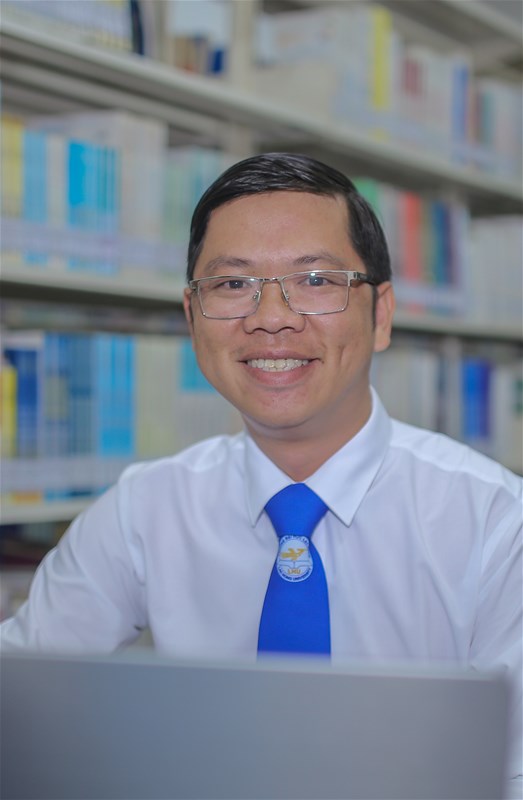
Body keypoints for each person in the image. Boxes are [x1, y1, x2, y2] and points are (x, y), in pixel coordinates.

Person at [1, 153, 521, 793]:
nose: (271, 316)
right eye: (231, 284)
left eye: (316, 279)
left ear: (381, 314)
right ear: (192, 317)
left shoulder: (496, 523)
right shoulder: (145, 509)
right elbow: (16, 699)